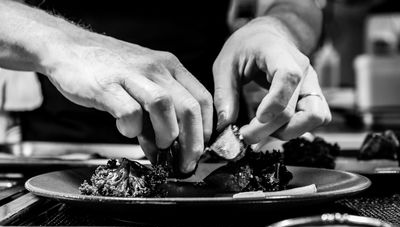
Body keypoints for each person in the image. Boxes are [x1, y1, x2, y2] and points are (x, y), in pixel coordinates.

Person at [0, 0, 331, 175]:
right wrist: (68, 45)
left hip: (213, 151)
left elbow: (299, 6)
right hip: (59, 155)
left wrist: (277, 29)